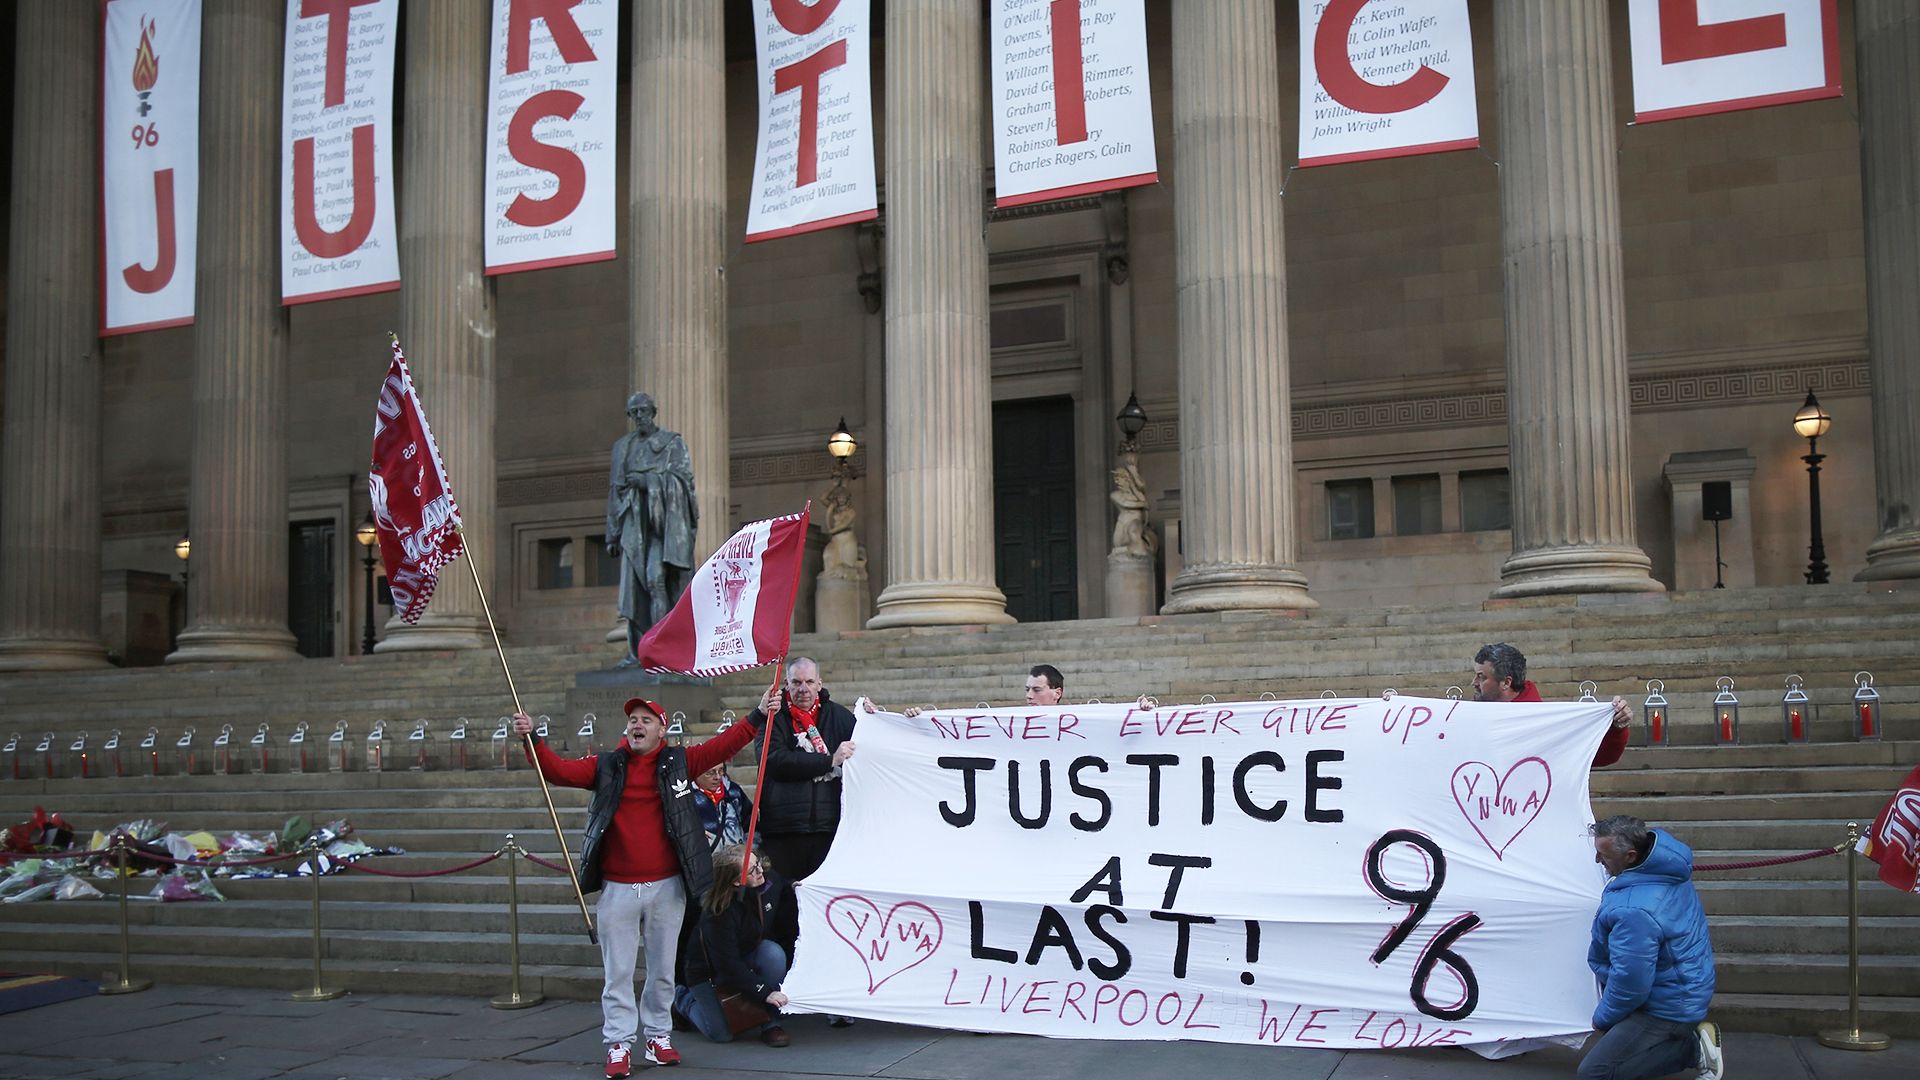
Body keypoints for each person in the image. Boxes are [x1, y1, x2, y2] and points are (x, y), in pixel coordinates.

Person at [513, 697, 758, 1078]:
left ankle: (659, 1037)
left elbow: (723, 746)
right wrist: (534, 741)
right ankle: (618, 1043)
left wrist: (759, 714)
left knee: (662, 971)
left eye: (646, 720)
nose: (637, 725)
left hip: (667, 887)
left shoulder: (680, 762)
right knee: (619, 973)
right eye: (632, 720)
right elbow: (558, 771)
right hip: (618, 889)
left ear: (662, 729)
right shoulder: (607, 765)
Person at [1581, 815, 1723, 1080]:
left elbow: (1631, 982)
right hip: (1685, 987)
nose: (1598, 861)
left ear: (1631, 856)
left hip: (1667, 1006)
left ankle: (1691, 1049)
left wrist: (1602, 1019)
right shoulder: (1664, 868)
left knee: (1596, 1073)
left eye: (1604, 855)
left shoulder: (1635, 910)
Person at [674, 844, 799, 1047]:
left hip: (747, 954)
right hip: (708, 971)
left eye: (757, 863)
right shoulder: (719, 913)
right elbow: (728, 965)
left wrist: (793, 885)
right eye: (751, 870)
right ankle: (682, 999)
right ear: (734, 881)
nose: (760, 871)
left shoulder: (768, 879)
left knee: (772, 954)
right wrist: (765, 993)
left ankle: (770, 1022)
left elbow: (781, 884)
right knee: (721, 1034)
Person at [747, 657, 857, 883]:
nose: (803, 689)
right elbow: (774, 761)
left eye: (809, 681)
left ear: (820, 683)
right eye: (796, 683)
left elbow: (868, 748)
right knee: (786, 904)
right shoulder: (771, 717)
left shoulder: (841, 717)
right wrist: (829, 761)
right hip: (783, 830)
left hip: (829, 828)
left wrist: (873, 718)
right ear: (786, 684)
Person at [607, 392, 698, 663]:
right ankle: (642, 650)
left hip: (664, 528)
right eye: (633, 412)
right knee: (637, 588)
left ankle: (661, 647)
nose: (639, 417)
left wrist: (649, 483)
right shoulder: (623, 448)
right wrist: (612, 532)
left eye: (643, 411)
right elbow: (615, 490)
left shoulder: (672, 444)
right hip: (634, 528)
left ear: (653, 412)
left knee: (656, 579)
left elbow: (684, 483)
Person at [1472, 642, 1632, 767]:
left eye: (1481, 677)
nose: (1474, 683)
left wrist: (1616, 728)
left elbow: (1601, 756)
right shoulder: (1473, 717)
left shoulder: (1548, 724)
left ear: (1506, 682)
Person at [691, 760, 753, 852]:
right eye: (710, 773)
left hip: (737, 859)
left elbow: (750, 823)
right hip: (706, 860)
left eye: (721, 770)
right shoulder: (688, 798)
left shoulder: (733, 791)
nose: (717, 777)